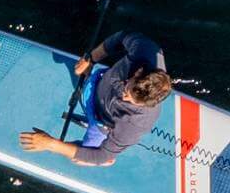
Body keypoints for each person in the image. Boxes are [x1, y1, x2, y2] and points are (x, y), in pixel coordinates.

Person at [18, 30, 173, 168]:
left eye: (131, 100)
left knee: (83, 160)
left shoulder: (135, 124)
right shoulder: (145, 49)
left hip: (102, 122)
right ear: (138, 72)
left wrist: (51, 144)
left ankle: (99, 152)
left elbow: (102, 155)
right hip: (96, 83)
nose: (124, 96)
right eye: (127, 88)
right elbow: (122, 36)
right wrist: (91, 58)